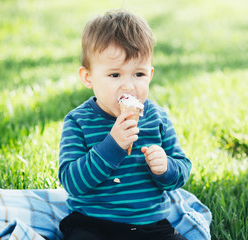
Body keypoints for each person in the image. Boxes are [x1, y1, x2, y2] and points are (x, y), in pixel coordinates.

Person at [58, 9, 192, 240]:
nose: (129, 86)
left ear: (150, 75)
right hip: (93, 224)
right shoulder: (78, 121)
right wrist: (112, 146)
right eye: (115, 75)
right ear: (88, 77)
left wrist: (166, 168)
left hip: (151, 226)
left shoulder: (157, 118)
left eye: (138, 74)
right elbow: (72, 182)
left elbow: (182, 169)